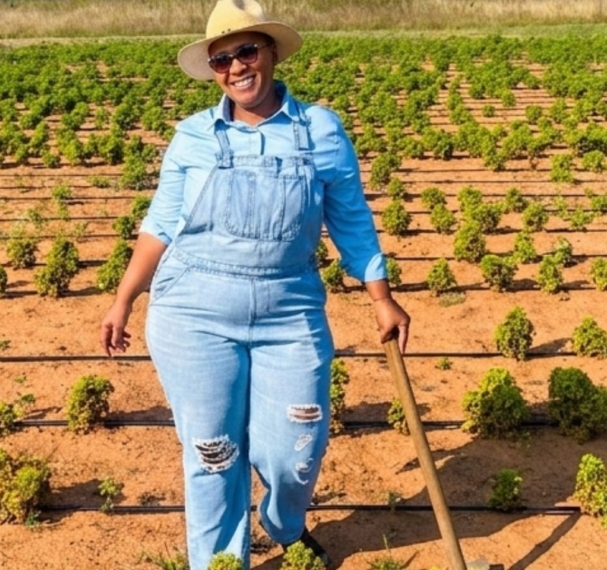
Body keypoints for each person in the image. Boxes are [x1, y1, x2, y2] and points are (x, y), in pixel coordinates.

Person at [99, 1, 410, 567]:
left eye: (246, 51)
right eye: (222, 58)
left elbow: (351, 220)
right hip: (193, 312)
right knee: (213, 454)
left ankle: (284, 522)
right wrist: (123, 299)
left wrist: (381, 297)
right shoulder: (193, 137)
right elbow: (160, 225)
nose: (236, 67)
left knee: (296, 449)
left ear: (270, 53)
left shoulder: (319, 130)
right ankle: (220, 562)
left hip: (288, 308)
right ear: (214, 70)